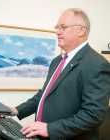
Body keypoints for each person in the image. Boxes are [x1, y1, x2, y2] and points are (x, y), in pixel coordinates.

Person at [8, 8, 110, 140]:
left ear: (81, 30)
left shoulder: (97, 64)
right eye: (57, 27)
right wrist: (17, 110)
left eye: (63, 27)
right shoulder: (57, 61)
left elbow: (93, 115)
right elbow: (44, 94)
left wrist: (49, 129)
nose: (57, 32)